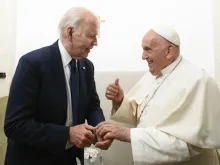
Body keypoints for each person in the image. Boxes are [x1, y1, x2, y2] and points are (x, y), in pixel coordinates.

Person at [96, 26, 220, 165]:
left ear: (168, 51)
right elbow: (143, 115)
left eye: (148, 49)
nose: (143, 56)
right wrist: (120, 101)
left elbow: (188, 145)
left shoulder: (198, 81)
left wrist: (127, 134)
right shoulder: (152, 75)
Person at [4, 7, 112, 165]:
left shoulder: (86, 67)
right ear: (70, 32)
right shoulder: (32, 64)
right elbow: (15, 126)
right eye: (91, 36)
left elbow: (92, 106)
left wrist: (101, 129)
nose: (95, 43)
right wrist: (67, 134)